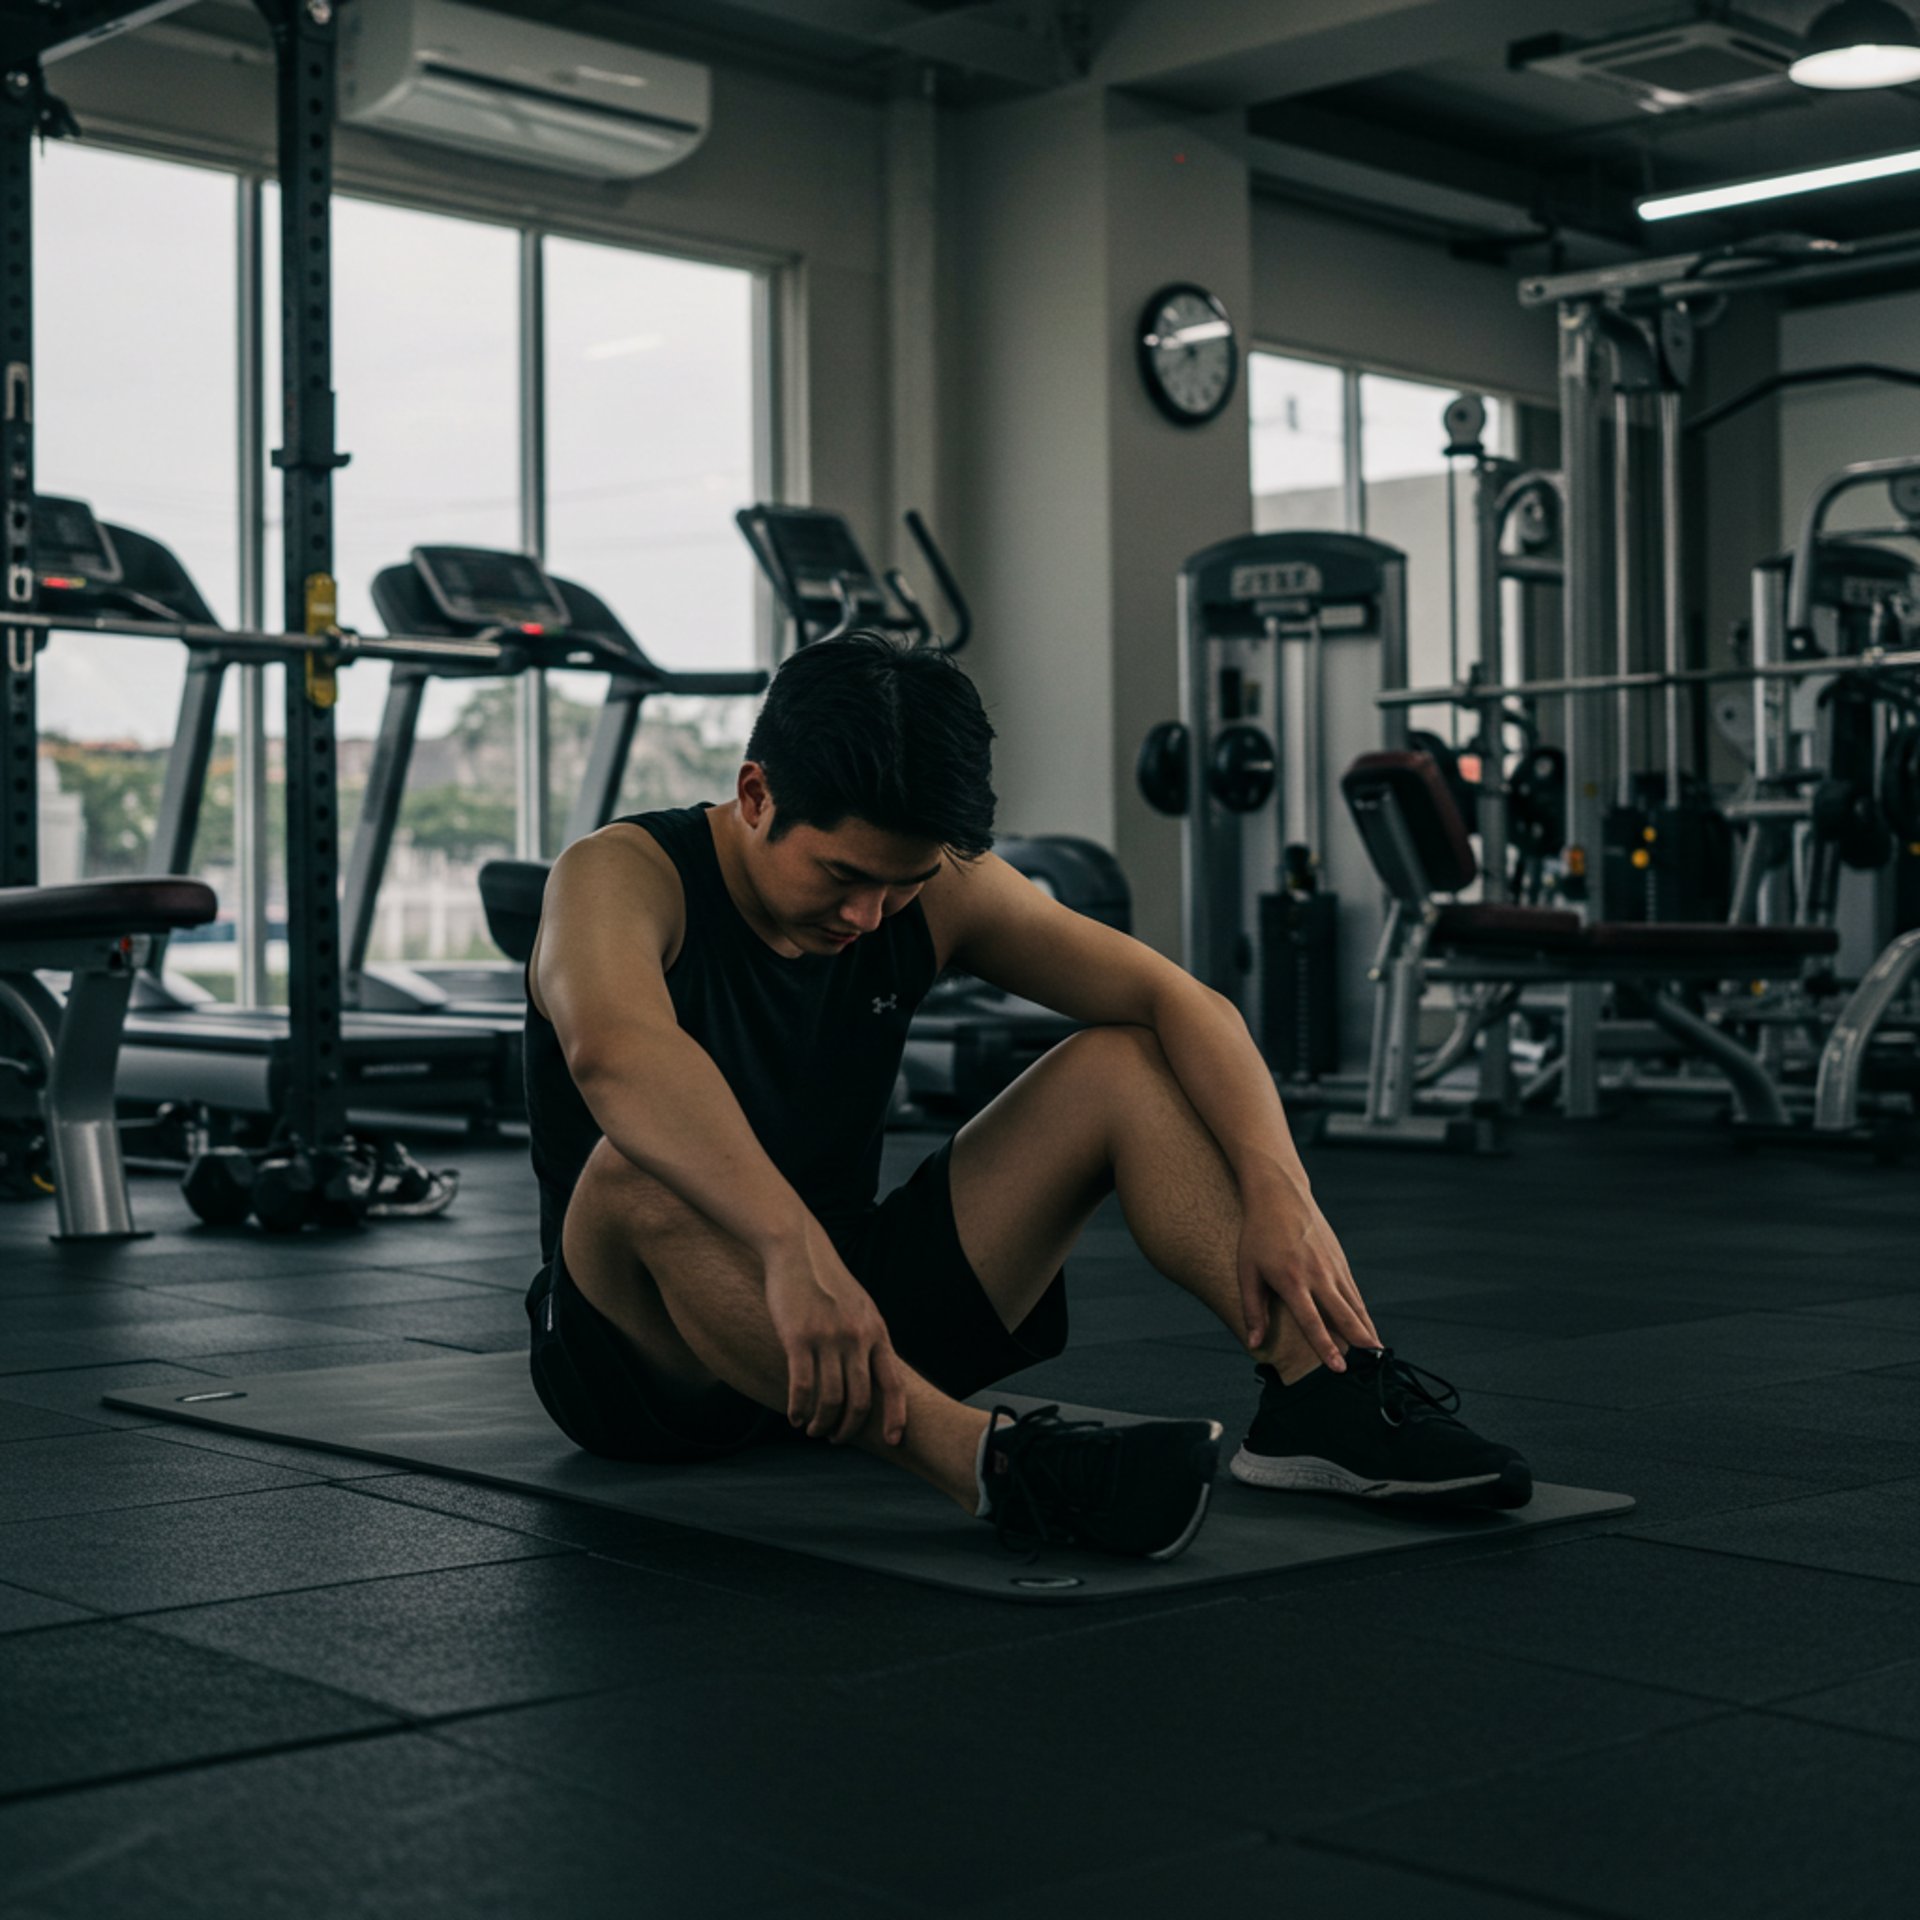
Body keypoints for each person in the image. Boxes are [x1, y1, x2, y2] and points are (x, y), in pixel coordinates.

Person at [523, 631, 1530, 1562]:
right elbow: (618, 1056)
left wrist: (1283, 1195)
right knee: (630, 1171)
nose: (868, 915)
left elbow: (1182, 1002)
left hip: (854, 1324)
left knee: (1121, 1062)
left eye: (901, 884)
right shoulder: (620, 876)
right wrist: (788, 1249)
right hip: (649, 1371)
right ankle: (990, 1465)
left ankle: (1321, 1395)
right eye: (842, 876)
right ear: (755, 795)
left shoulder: (933, 890)